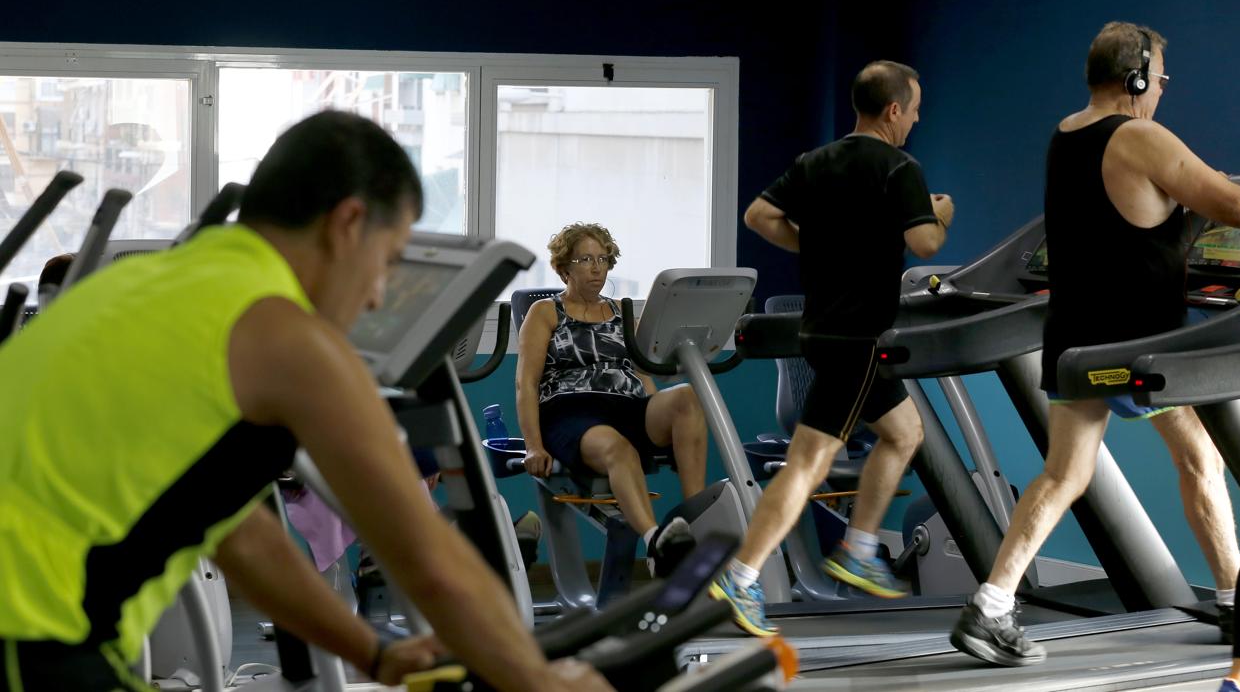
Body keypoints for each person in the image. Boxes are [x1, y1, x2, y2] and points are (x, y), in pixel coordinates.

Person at [0, 110, 612, 692]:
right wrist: (539, 680)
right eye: (387, 260)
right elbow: (428, 560)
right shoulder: (282, 332)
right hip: (26, 633)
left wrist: (373, 652)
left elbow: (241, 534)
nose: (377, 295)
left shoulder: (145, 286)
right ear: (347, 224)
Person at [948, 22, 1240, 668]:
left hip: (1078, 341)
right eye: (1160, 78)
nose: (1163, 90)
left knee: (1068, 474)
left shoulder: (1067, 134)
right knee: (1201, 459)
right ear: (1136, 77)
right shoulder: (1139, 135)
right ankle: (1233, 600)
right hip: (1143, 349)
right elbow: (1231, 204)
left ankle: (991, 605)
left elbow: (1132, 216)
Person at [711, 60, 954, 636]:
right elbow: (924, 242)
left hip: (822, 332)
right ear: (893, 109)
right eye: (914, 109)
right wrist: (940, 213)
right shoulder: (900, 166)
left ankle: (860, 548)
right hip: (861, 339)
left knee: (904, 433)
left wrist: (813, 247)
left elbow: (758, 215)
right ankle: (742, 577)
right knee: (807, 464)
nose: (916, 119)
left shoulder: (814, 163)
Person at [515, 222, 706, 577]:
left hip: (625, 406)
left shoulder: (623, 312)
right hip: (570, 412)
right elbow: (526, 384)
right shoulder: (544, 313)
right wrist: (533, 446)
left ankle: (692, 525)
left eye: (603, 258)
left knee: (685, 397)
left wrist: (660, 423)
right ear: (563, 267)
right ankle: (655, 546)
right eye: (585, 258)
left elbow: (643, 373)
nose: (596, 267)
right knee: (618, 448)